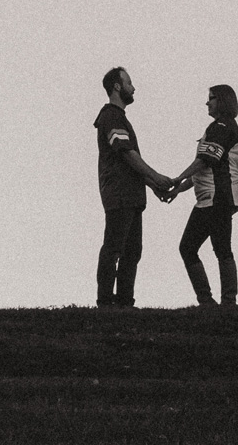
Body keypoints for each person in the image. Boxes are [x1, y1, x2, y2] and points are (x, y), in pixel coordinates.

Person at [94, 67, 174, 307]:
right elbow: (127, 153)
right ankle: (106, 302)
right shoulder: (111, 116)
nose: (133, 87)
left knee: (132, 251)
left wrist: (152, 184)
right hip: (119, 194)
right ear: (117, 86)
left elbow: (129, 162)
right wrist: (156, 177)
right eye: (129, 82)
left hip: (131, 195)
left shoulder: (118, 117)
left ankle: (125, 302)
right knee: (114, 248)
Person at [168, 84, 238, 306]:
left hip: (216, 196)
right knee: (220, 248)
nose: (207, 103)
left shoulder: (221, 126)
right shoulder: (222, 126)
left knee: (190, 247)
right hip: (217, 197)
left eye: (211, 98)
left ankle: (212, 301)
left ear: (222, 101)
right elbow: (204, 169)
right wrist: (179, 189)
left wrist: (177, 179)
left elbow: (205, 161)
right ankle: (224, 302)